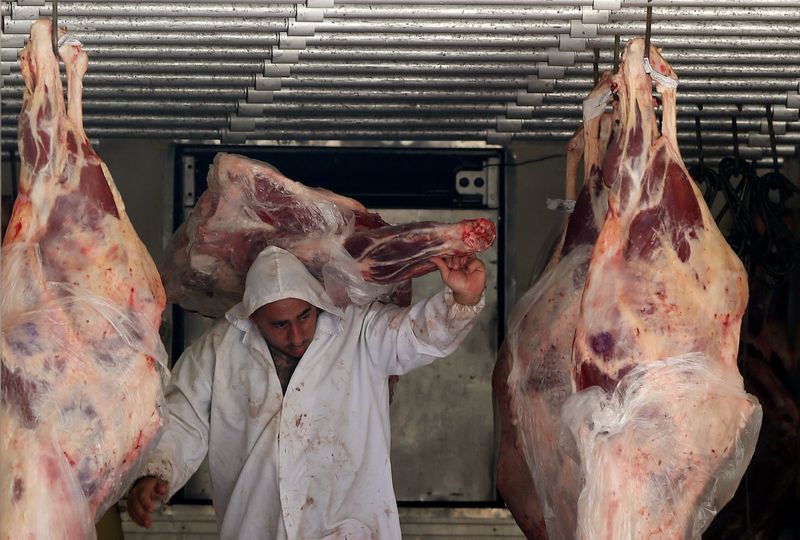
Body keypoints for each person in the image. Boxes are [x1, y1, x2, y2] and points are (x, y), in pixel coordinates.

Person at [127, 245, 487, 539]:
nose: (296, 335)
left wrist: (462, 299)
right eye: (279, 325)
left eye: (304, 317)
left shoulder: (358, 330)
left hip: (351, 530)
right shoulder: (220, 349)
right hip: (257, 528)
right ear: (253, 317)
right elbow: (184, 416)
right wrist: (158, 470)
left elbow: (416, 335)